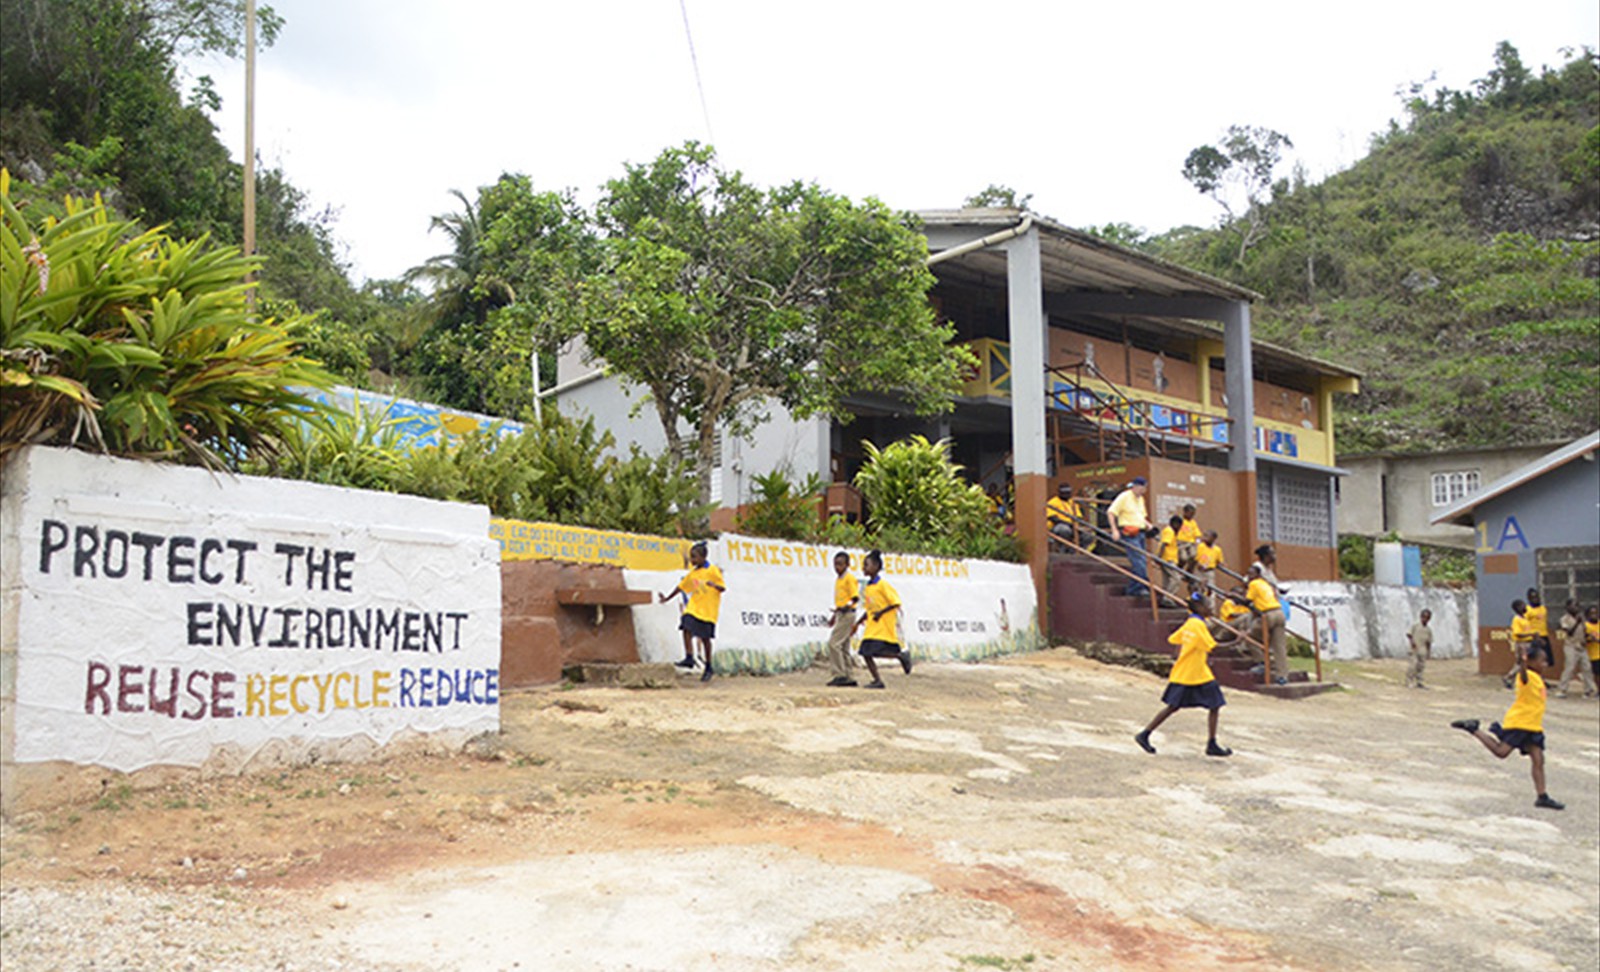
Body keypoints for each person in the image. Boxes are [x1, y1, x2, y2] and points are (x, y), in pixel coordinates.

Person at [1450, 644, 1564, 810]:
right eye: (1542, 661)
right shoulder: (1526, 676)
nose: (1545, 664)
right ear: (1531, 662)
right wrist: (1523, 660)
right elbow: (1523, 673)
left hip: (1532, 725)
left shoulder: (1538, 678)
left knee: (1538, 759)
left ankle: (1542, 796)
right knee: (1501, 752)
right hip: (1519, 723)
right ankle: (1474, 729)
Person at [1134, 593, 1232, 757]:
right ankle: (1211, 743)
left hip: (1187, 672)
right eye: (1208, 605)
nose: (1211, 607)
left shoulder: (1191, 623)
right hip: (1196, 673)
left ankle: (1145, 734)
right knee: (1213, 704)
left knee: (1176, 706)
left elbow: (1174, 639)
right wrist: (1239, 640)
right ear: (1200, 608)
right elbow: (1213, 647)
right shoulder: (1198, 625)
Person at [658, 541, 724, 683]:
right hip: (694, 607)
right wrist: (667, 598)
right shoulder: (693, 573)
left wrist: (714, 585)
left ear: (703, 557)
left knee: (705, 639)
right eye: (691, 557)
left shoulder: (713, 570)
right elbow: (681, 587)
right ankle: (689, 657)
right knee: (685, 625)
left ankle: (708, 666)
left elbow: (722, 587)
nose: (692, 560)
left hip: (708, 610)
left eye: (694, 557)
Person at [853, 550, 912, 689]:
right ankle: (877, 680)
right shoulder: (869, 587)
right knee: (865, 652)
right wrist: (859, 621)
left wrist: (881, 612)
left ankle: (899, 656)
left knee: (874, 651)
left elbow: (895, 602)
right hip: (872, 625)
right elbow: (869, 608)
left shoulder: (883, 585)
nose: (864, 568)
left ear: (876, 567)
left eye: (867, 565)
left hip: (883, 624)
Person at [1107, 477, 1155, 597]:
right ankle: (1140, 586)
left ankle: (1134, 588)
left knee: (1142, 560)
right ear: (1136, 486)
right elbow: (1111, 512)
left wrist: (1148, 525)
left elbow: (1141, 516)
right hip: (1129, 532)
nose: (1143, 490)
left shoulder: (1141, 499)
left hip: (1140, 532)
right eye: (1142, 488)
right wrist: (1114, 530)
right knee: (1138, 560)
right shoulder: (1124, 496)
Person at [1247, 563, 1288, 685]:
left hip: (1268, 615)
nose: (1249, 576)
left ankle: (1262, 663)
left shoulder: (1253, 584)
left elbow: (1247, 600)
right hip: (1279, 613)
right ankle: (1282, 676)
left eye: (1251, 574)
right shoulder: (1266, 584)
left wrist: (1233, 596)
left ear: (1257, 575)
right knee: (1279, 646)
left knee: (1249, 637)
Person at [825, 550, 860, 688]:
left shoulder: (849, 578)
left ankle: (839, 674)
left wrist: (846, 606)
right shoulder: (839, 579)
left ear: (847, 564)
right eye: (835, 564)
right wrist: (834, 616)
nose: (837, 567)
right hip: (841, 613)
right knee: (844, 646)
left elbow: (855, 597)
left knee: (834, 643)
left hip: (847, 613)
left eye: (840, 564)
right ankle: (848, 675)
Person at [1553, 600, 1595, 698]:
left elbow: (1584, 631)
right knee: (1570, 667)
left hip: (1581, 646)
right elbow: (1569, 632)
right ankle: (1562, 689)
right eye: (1574, 606)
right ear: (1568, 608)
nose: (1576, 608)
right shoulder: (1565, 619)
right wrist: (1577, 622)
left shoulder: (1582, 618)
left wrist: (1588, 637)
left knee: (1587, 668)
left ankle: (1588, 690)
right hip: (1570, 646)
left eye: (1578, 605)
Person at [1046, 483, 1085, 549]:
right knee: (1065, 530)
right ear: (1059, 492)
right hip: (1057, 526)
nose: (1066, 494)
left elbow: (1079, 517)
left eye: (1068, 492)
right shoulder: (1053, 502)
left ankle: (1072, 551)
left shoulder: (1072, 502)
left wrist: (1075, 524)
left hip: (1072, 526)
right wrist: (1069, 524)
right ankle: (1062, 550)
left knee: (1087, 536)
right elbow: (1053, 518)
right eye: (1064, 493)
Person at [1505, 599, 1533, 689]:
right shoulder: (1517, 619)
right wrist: (1530, 634)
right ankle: (1508, 677)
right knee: (1521, 663)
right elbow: (1517, 634)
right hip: (1522, 643)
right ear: (1517, 608)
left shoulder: (1525, 618)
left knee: (1523, 663)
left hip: (1527, 642)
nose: (1525, 607)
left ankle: (1512, 680)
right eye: (1523, 605)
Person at [1156, 514, 1183, 605]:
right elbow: (1164, 544)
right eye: (1179, 526)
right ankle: (1168, 597)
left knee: (1167, 580)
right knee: (1176, 579)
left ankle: (1165, 598)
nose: (1180, 528)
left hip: (1168, 559)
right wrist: (1158, 557)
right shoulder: (1170, 531)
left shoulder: (1170, 532)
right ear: (1175, 524)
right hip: (1168, 559)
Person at [1194, 531, 1225, 607]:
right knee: (1198, 588)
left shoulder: (1217, 549)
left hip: (1209, 571)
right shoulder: (1200, 546)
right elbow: (1195, 557)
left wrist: (1221, 564)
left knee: (1210, 590)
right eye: (1204, 535)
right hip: (1199, 571)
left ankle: (1211, 608)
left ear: (1213, 538)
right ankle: (1197, 606)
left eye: (1207, 536)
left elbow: (1220, 561)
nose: (1204, 538)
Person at [1405, 609, 1433, 689]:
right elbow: (1409, 634)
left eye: (1427, 618)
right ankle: (1409, 681)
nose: (1425, 619)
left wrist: (1428, 651)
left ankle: (1419, 682)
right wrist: (1412, 642)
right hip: (1415, 649)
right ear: (1421, 617)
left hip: (1423, 650)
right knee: (1412, 666)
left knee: (1421, 666)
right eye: (1424, 617)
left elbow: (1429, 641)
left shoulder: (1428, 630)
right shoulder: (1416, 626)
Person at [1525, 589, 1553, 668]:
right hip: (1534, 637)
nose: (1536, 599)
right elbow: (1525, 625)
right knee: (1535, 659)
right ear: (1529, 599)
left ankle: (1541, 677)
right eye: (1533, 598)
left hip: (1544, 635)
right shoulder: (1527, 610)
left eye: (1537, 597)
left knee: (1547, 660)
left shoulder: (1543, 609)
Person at [1176, 504, 1202, 573]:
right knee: (1183, 558)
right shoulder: (1179, 520)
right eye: (1190, 514)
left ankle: (1189, 570)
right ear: (1185, 512)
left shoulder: (1193, 523)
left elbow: (1197, 534)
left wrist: (1198, 542)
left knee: (1195, 555)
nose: (1191, 516)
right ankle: (1179, 568)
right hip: (1181, 542)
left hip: (1191, 543)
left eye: (1193, 514)